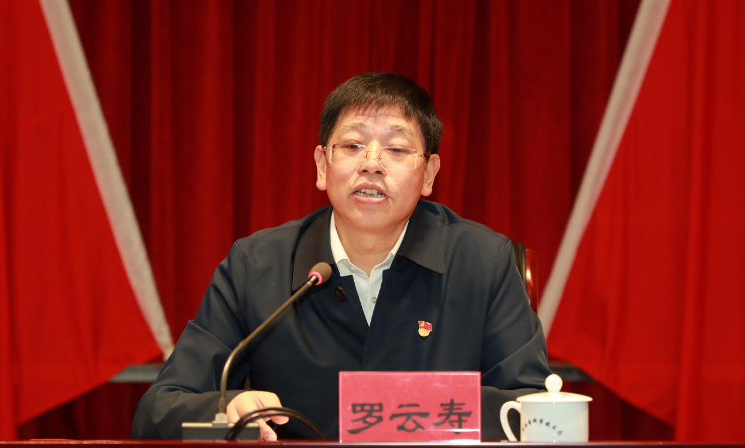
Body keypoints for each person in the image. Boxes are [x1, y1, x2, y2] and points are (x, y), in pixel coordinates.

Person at [132, 72, 550, 441]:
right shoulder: (256, 266)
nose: (372, 163)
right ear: (322, 165)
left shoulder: (484, 264)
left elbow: (536, 411)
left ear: (428, 174)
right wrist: (227, 410)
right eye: (352, 145)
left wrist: (413, 407)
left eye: (396, 149)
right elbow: (157, 411)